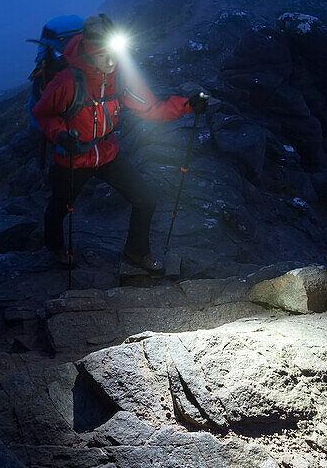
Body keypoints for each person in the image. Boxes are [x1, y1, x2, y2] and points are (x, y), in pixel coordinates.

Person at [31, 14, 207, 274]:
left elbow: (151, 108)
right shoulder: (66, 82)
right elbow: (43, 114)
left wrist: (187, 106)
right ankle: (55, 247)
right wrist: (60, 135)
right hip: (73, 156)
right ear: (90, 55)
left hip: (106, 151)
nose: (112, 62)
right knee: (61, 206)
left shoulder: (119, 77)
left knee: (145, 198)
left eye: (114, 54)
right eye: (104, 56)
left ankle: (136, 252)